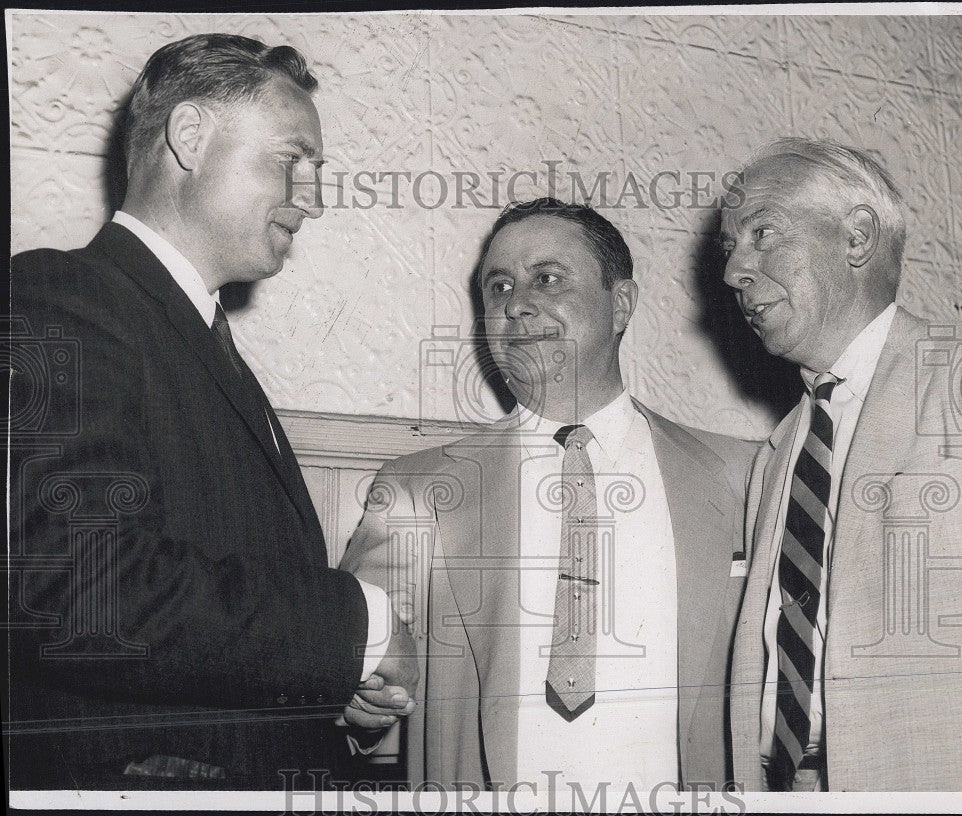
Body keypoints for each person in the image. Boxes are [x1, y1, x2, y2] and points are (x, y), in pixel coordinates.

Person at [9, 33, 416, 790]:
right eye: (292, 158)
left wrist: (332, 690)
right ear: (190, 136)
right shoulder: (59, 297)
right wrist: (357, 626)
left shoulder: (195, 342)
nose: (313, 199)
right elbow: (81, 590)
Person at [340, 198, 756, 791]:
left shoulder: (742, 477)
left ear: (621, 304)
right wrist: (360, 703)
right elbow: (354, 670)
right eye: (499, 287)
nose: (516, 303)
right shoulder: (417, 490)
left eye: (548, 278)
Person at [719, 138, 962, 792]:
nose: (733, 272)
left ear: (858, 237)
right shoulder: (776, 456)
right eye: (729, 247)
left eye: (761, 234)